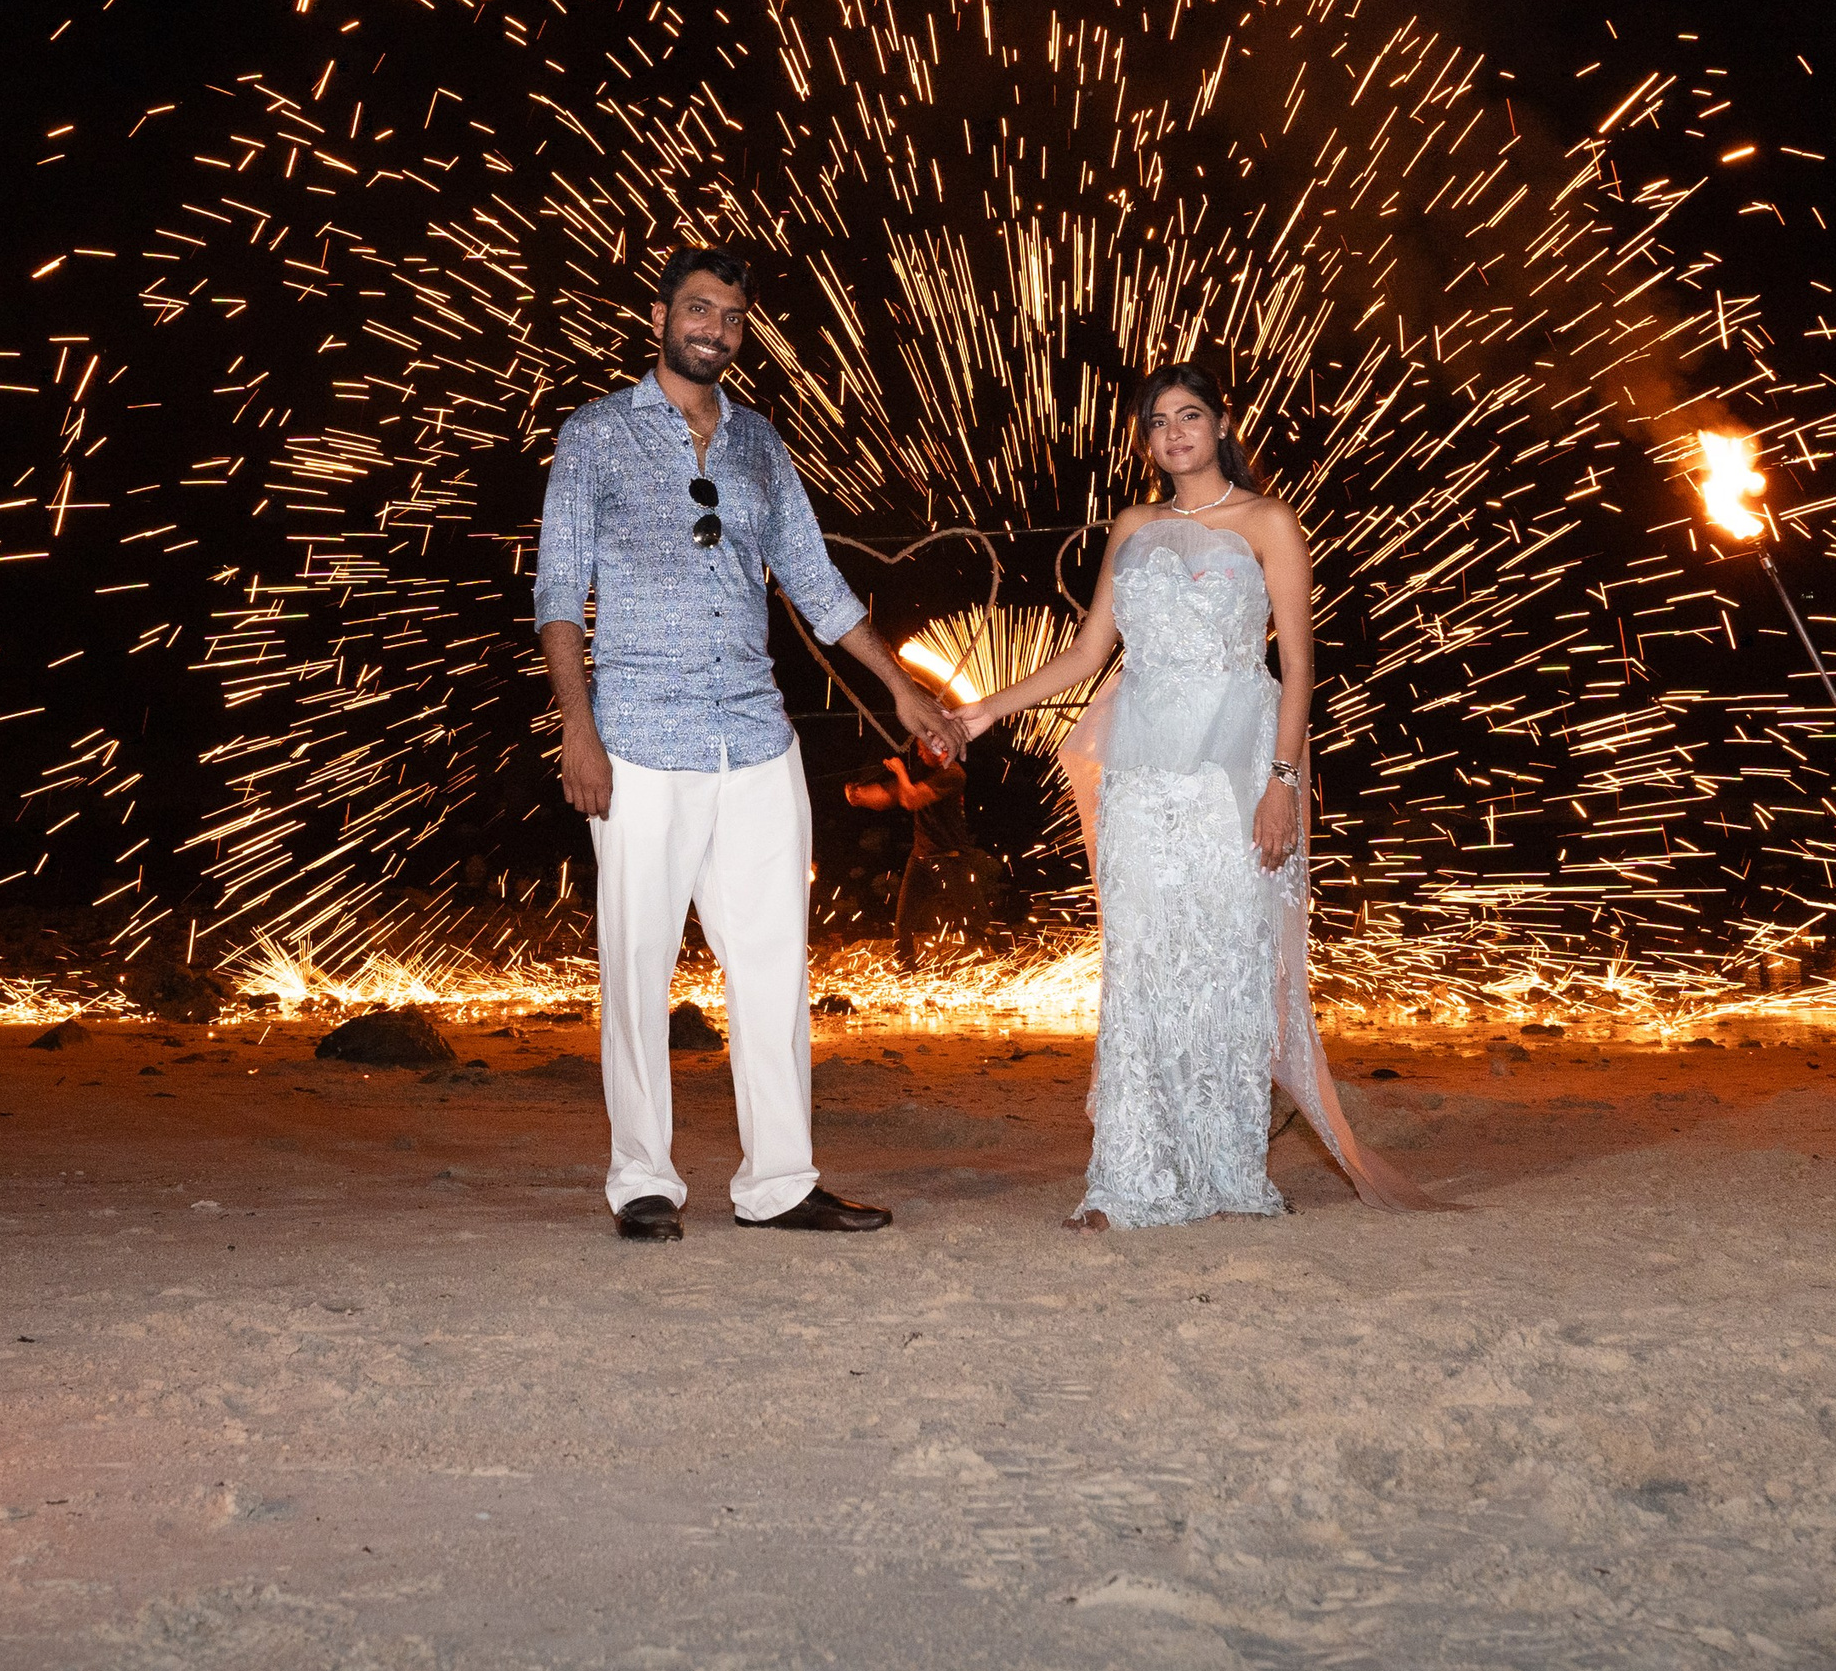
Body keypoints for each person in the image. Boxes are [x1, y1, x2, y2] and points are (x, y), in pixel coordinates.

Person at [535, 248, 965, 1241]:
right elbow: (558, 596)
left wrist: (900, 689)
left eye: (731, 317)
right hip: (638, 737)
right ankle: (642, 1177)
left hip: (753, 737)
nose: (715, 329)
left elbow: (814, 586)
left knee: (773, 963)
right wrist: (578, 726)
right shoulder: (595, 434)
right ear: (660, 315)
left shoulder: (760, 442)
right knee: (637, 963)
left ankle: (778, 1182)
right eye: (699, 309)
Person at [955, 363, 1447, 1228]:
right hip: (1143, 777)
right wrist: (982, 712)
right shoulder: (1134, 526)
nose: (1173, 432)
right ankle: (1130, 1179)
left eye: (1190, 415)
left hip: (1235, 772)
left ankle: (1223, 1169)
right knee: (1142, 968)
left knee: (1225, 968)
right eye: (1157, 421)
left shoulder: (1268, 522)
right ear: (1145, 441)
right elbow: (1084, 657)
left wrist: (1283, 784)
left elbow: (1297, 667)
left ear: (1221, 425)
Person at [842, 741, 1006, 969]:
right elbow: (892, 794)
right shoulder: (922, 769)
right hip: (920, 858)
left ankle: (1008, 955)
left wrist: (900, 771)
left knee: (980, 918)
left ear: (941, 748)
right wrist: (860, 796)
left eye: (922, 747)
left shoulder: (953, 774)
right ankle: (906, 969)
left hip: (950, 859)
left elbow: (911, 799)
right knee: (903, 924)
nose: (918, 752)